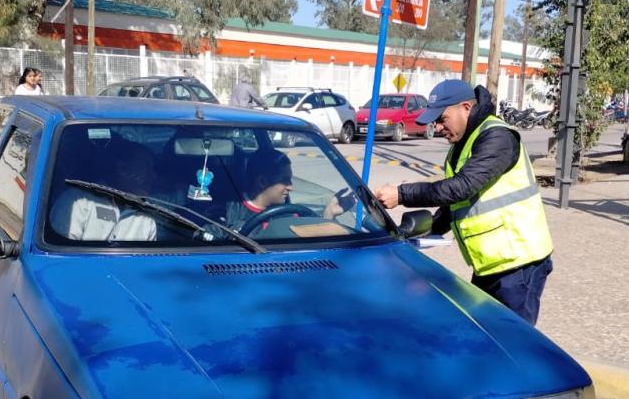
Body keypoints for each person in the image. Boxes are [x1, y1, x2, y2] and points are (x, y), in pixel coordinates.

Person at [374, 80, 553, 325]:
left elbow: (461, 188)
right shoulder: (463, 144)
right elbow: (455, 205)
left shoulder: (497, 137)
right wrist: (416, 234)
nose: (438, 127)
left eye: (442, 119)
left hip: (519, 266)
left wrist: (402, 194)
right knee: (483, 338)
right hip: (491, 266)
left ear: (466, 107)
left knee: (513, 347)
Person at [51, 142, 158, 241]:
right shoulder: (77, 201)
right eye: (146, 168)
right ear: (122, 169)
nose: (154, 176)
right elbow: (64, 254)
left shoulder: (147, 217)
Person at [226, 148, 346, 229]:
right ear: (262, 182)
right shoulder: (229, 211)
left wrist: (328, 215)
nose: (291, 187)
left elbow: (310, 241)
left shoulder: (290, 214)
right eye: (284, 180)